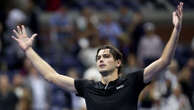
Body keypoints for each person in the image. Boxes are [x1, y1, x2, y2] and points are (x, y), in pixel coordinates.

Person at [11, 2, 184, 110]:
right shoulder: (88, 87)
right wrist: (28, 50)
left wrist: (176, 30)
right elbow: (51, 76)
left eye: (106, 56)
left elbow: (164, 61)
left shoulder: (132, 81)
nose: (100, 59)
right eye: (99, 57)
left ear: (118, 62)